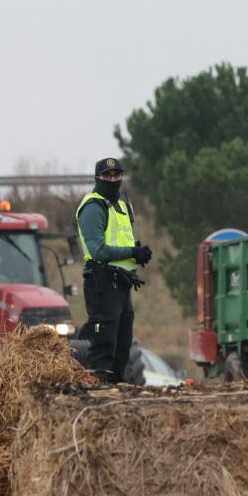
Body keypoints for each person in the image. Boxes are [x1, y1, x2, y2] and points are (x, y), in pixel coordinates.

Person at [76, 157, 153, 383]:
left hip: (121, 284)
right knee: (104, 347)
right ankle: (98, 395)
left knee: (122, 347)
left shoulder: (121, 206)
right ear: (98, 178)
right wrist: (131, 252)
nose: (113, 179)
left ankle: (116, 393)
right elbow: (98, 250)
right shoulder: (93, 206)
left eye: (117, 175)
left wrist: (137, 254)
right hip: (102, 284)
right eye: (107, 176)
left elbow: (120, 241)